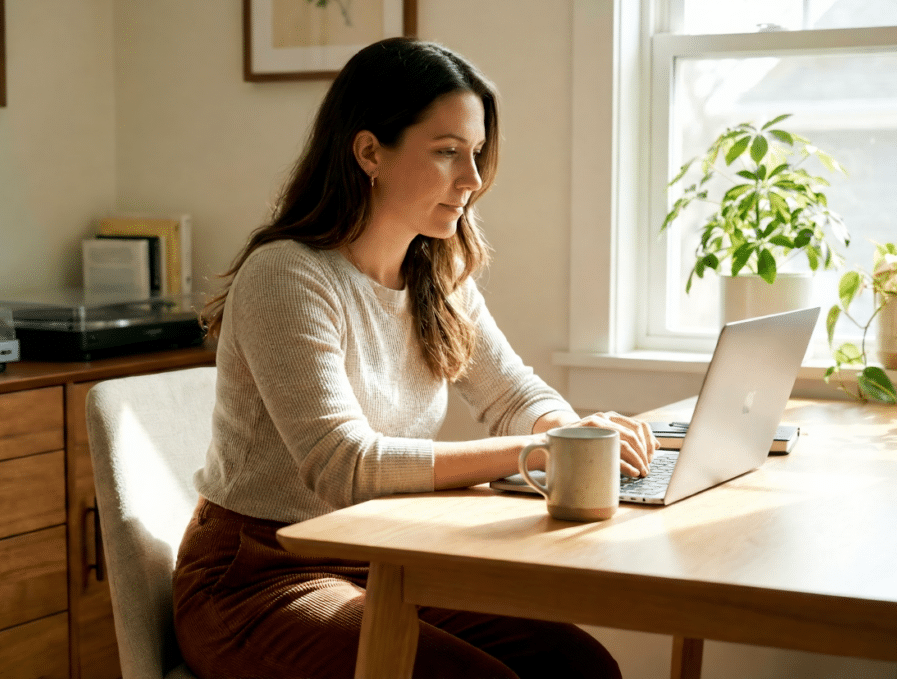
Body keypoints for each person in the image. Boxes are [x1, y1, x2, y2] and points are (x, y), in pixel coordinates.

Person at [173, 37, 657, 679]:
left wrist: (570, 436)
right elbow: (344, 466)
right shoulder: (288, 276)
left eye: (477, 153)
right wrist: (541, 453)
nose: (473, 180)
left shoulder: (438, 269)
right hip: (261, 578)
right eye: (448, 152)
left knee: (579, 666)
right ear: (370, 151)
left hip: (386, 560)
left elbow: (513, 395)